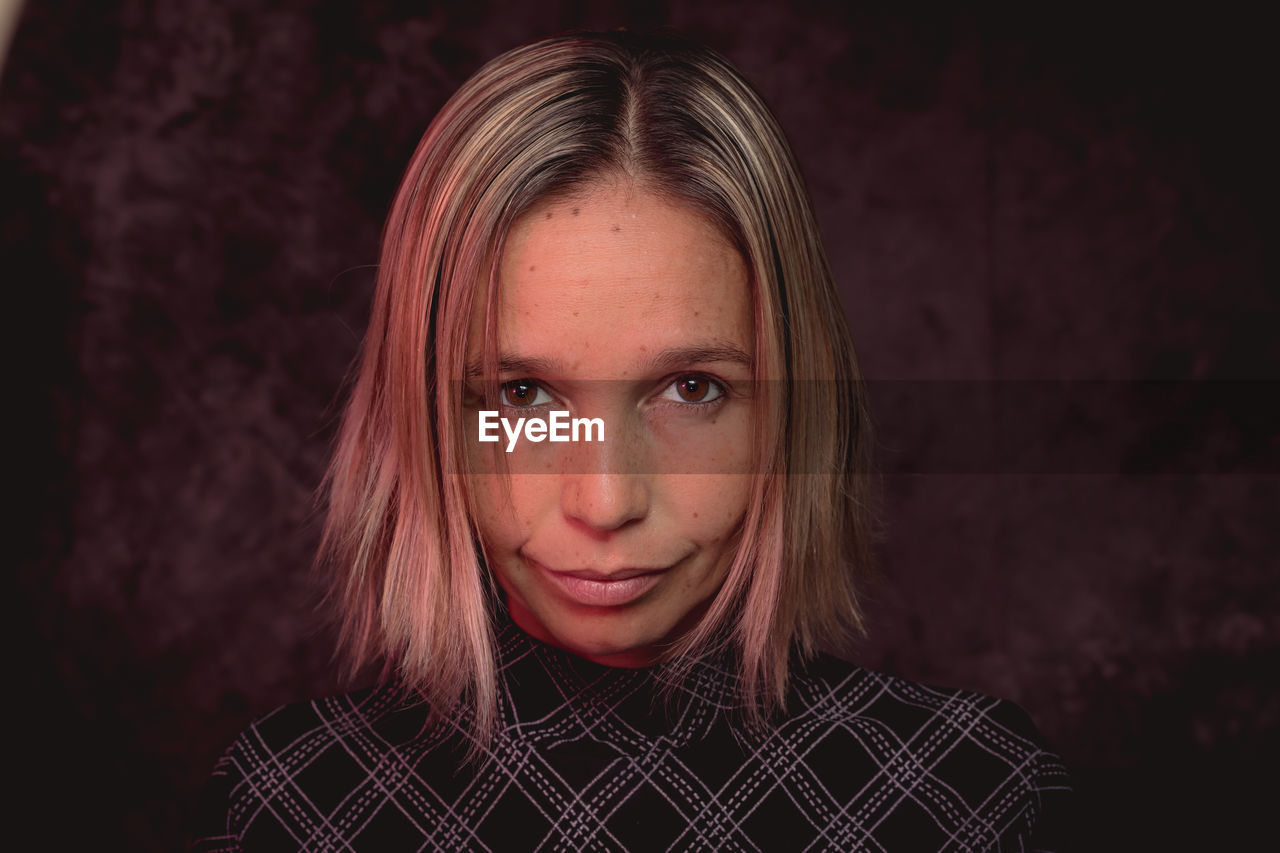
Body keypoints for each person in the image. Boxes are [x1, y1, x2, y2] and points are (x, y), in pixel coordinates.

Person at [192, 29, 1070, 851]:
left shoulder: (976, 798)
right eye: (523, 394)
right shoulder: (288, 807)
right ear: (424, 418)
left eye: (692, 389)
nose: (606, 500)